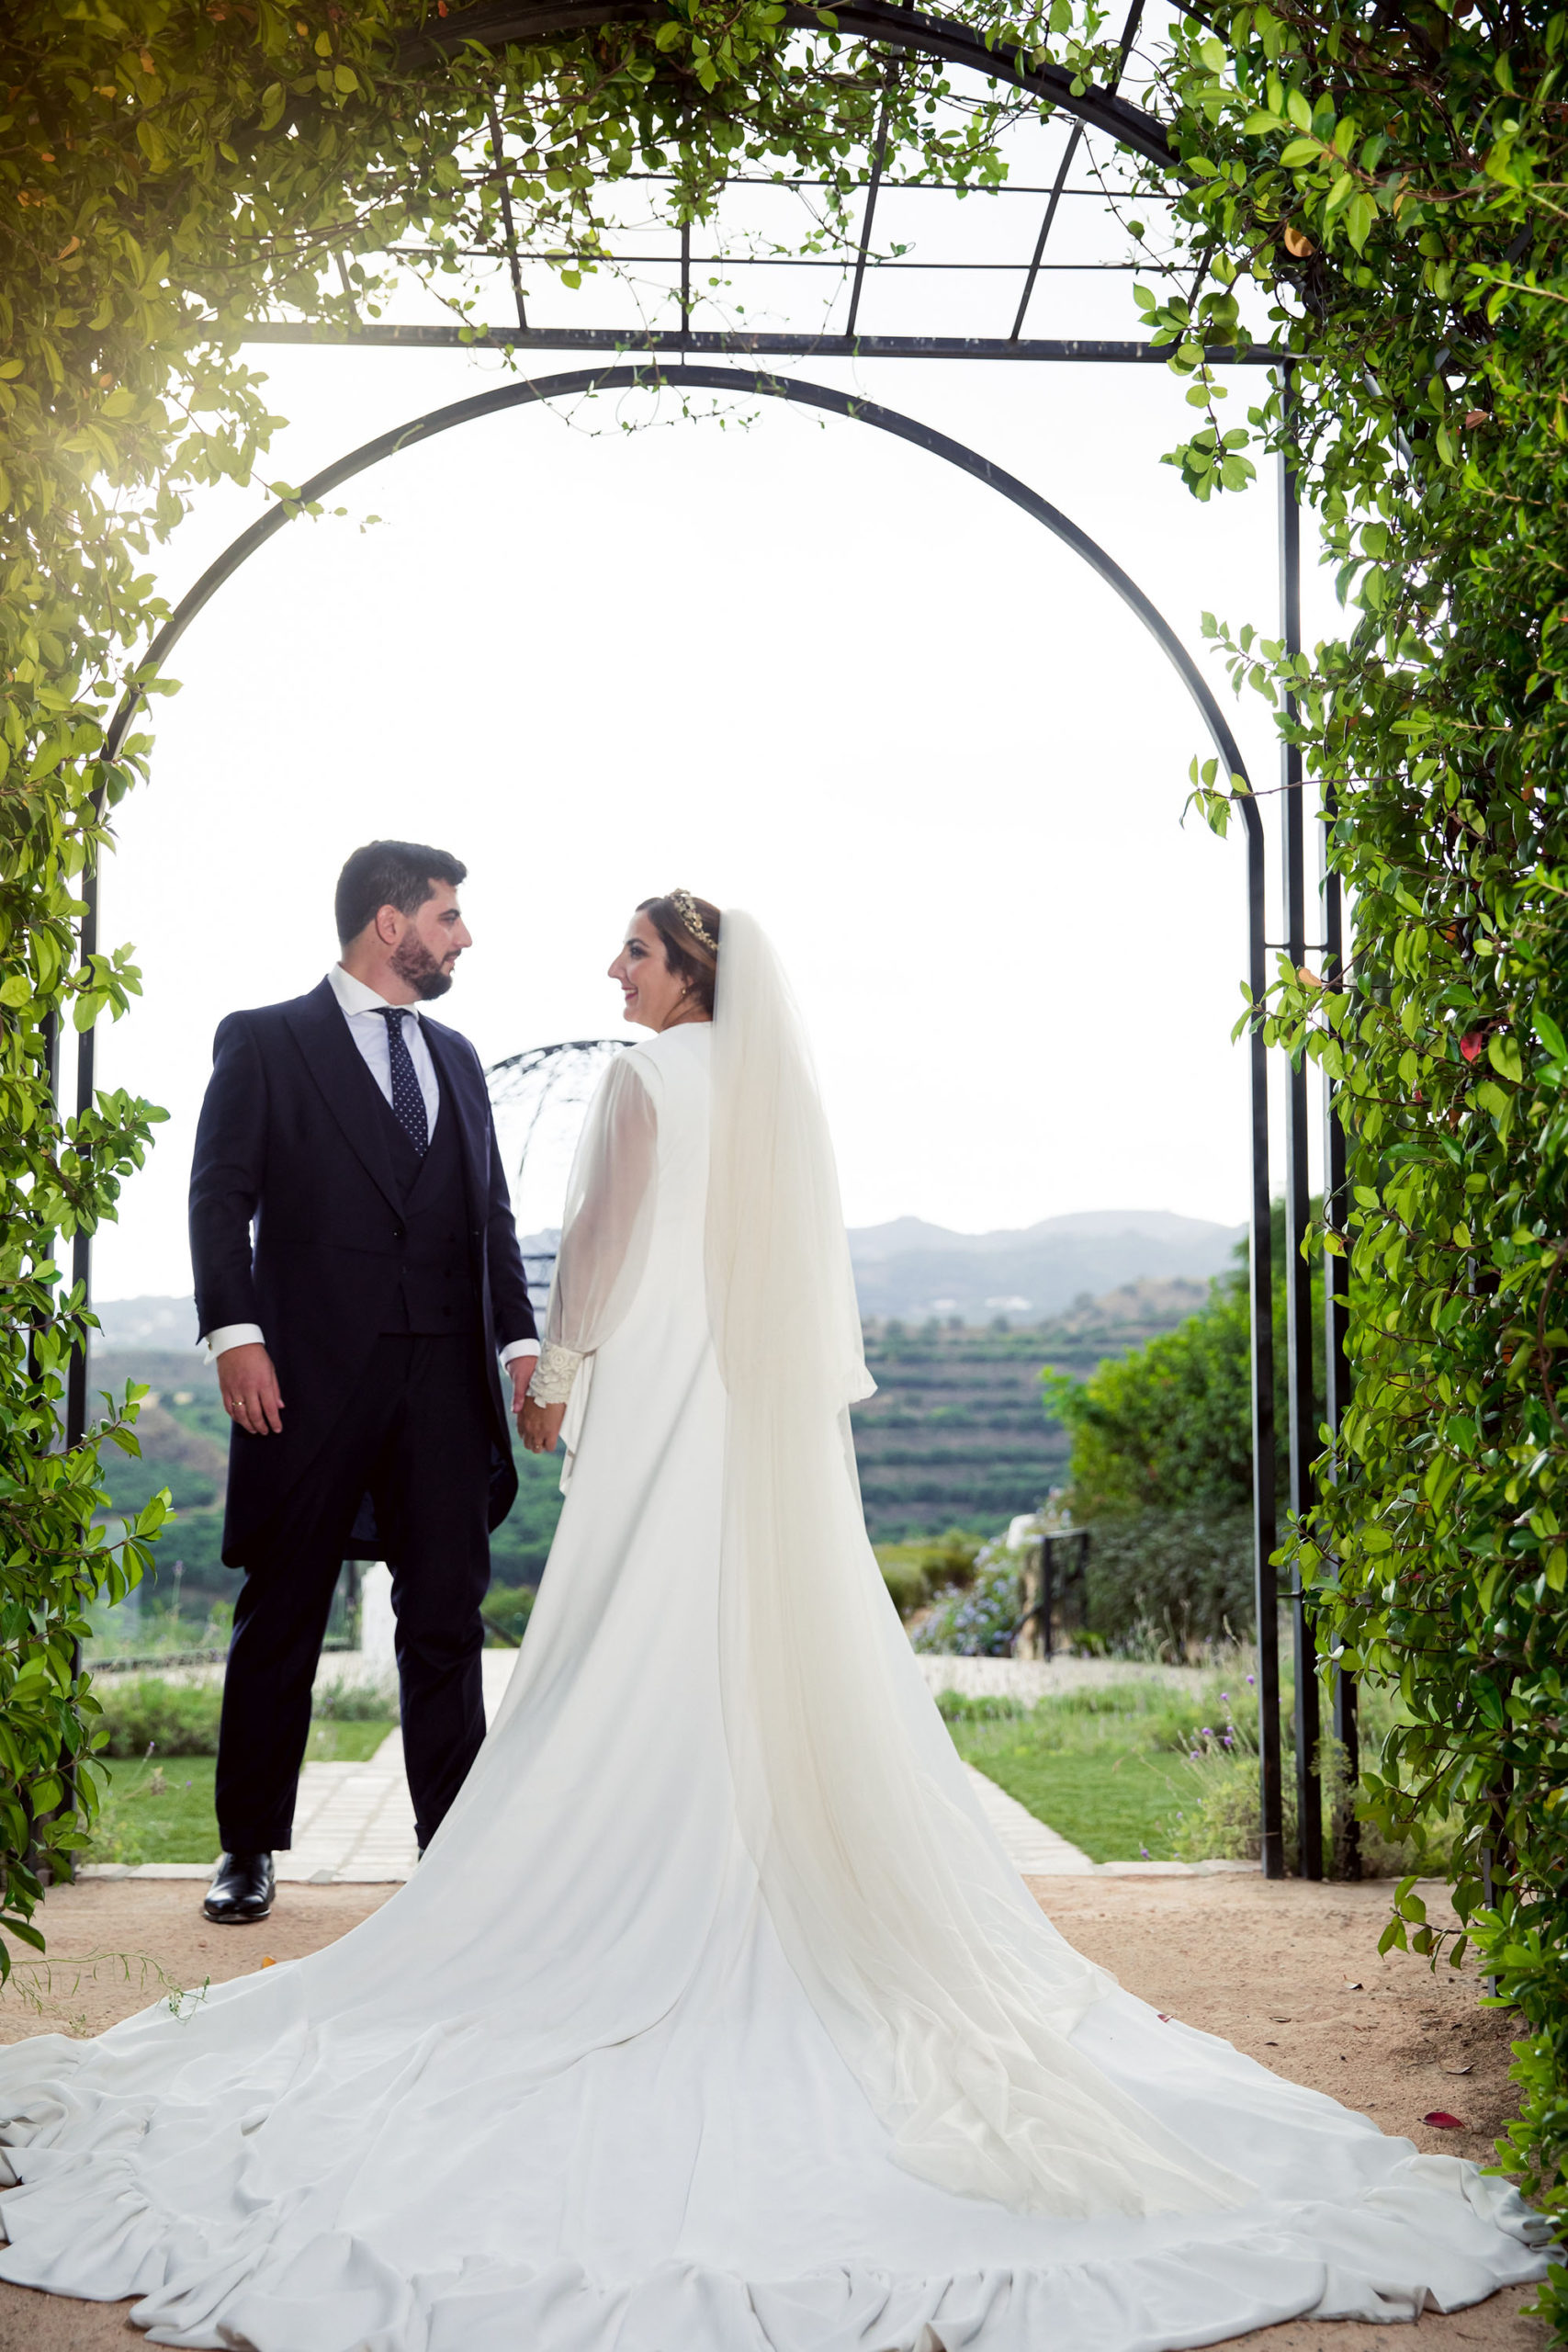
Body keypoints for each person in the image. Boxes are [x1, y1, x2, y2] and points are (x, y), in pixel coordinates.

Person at [0, 896, 1548, 2352]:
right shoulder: (764, 1096)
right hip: (747, 1403)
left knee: (626, 1638)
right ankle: (731, 1866)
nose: (613, 974)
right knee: (731, 1633)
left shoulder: (640, 1082)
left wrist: (553, 1377)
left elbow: (595, 1251)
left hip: (659, 1396)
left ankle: (614, 1876)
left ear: (686, 972)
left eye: (632, 952)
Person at [186, 841, 538, 1926]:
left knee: (445, 1616)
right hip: (305, 1375)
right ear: (392, 923)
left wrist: (520, 1346)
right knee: (283, 1610)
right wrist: (235, 1334)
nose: (464, 937)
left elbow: (489, 1216)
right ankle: (248, 1846)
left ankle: (451, 1847)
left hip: (446, 1381)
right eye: (448, 916)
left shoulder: (459, 1058)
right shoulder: (265, 1040)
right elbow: (218, 1198)